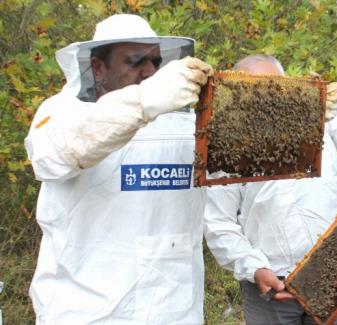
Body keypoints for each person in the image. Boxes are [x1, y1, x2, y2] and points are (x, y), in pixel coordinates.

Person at [24, 14, 213, 324]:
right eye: (135, 60)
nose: (150, 71)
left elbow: (248, 165)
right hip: (87, 312)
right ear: (98, 67)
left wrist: (314, 123)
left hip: (176, 310)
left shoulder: (185, 126)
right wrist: (144, 102)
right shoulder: (61, 113)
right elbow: (60, 152)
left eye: (154, 61)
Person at [204, 54, 337, 324]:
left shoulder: (320, 113)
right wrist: (255, 268)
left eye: (276, 86)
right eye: (255, 89)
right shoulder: (227, 148)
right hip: (271, 285)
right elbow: (218, 222)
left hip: (334, 273)